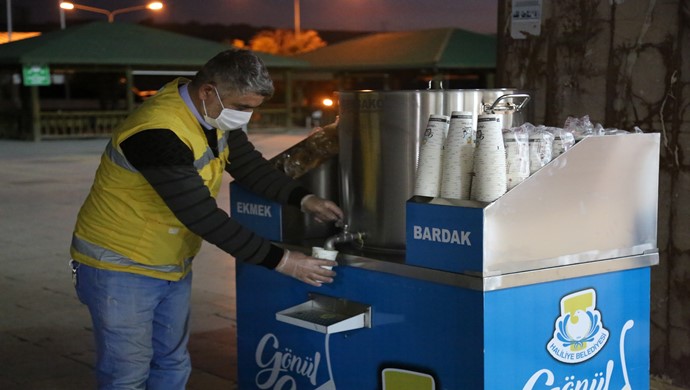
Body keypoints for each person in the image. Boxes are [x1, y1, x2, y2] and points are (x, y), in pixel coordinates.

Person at [69, 48, 344, 390]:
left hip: (169, 260)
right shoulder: (156, 131)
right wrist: (283, 261)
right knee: (127, 372)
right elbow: (200, 214)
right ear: (207, 91)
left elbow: (248, 166)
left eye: (253, 109)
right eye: (243, 107)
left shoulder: (212, 116)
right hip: (119, 264)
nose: (247, 116)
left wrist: (303, 198)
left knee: (171, 360)